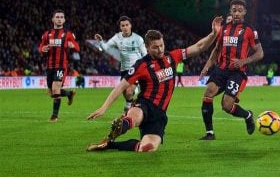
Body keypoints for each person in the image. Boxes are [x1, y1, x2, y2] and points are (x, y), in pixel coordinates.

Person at [86, 16, 222, 152]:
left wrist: (214, 34)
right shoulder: (142, 65)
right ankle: (121, 125)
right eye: (155, 47)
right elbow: (121, 86)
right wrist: (103, 108)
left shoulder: (172, 57)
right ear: (147, 47)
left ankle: (109, 144)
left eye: (161, 45)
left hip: (159, 114)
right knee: (134, 117)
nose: (160, 49)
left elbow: (199, 47)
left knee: (147, 148)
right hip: (144, 105)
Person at [199, 0, 264, 141]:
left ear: (245, 12)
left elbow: (260, 53)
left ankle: (247, 116)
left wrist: (243, 61)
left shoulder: (249, 30)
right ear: (230, 11)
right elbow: (216, 50)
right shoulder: (224, 29)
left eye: (240, 10)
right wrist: (207, 66)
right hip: (221, 70)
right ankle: (210, 133)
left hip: (237, 73)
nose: (236, 13)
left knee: (227, 105)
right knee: (208, 92)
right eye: (234, 10)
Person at [95, 16, 147, 114]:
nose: (125, 27)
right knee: (125, 93)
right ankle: (131, 100)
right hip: (124, 70)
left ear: (130, 25)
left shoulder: (138, 39)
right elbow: (105, 48)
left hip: (136, 69)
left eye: (127, 25)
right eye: (123, 25)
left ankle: (127, 110)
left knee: (128, 91)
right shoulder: (117, 38)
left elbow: (145, 54)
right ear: (120, 27)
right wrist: (101, 41)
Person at [38, 9, 80, 122]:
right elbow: (40, 47)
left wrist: (73, 45)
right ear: (53, 19)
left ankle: (54, 116)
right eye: (57, 17)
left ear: (64, 20)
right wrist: (43, 49)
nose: (59, 19)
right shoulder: (47, 34)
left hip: (61, 66)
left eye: (61, 17)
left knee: (56, 88)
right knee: (52, 92)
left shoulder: (68, 34)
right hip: (49, 66)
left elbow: (77, 47)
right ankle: (69, 93)